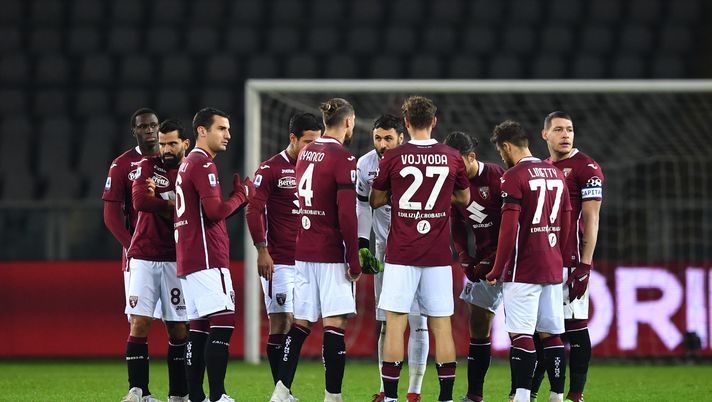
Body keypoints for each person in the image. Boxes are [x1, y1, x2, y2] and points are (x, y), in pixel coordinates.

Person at [370, 96, 470, 402]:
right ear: (434, 122)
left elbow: (375, 200)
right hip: (438, 255)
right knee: (441, 326)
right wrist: (441, 202)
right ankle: (447, 397)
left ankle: (389, 397)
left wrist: (397, 198)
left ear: (407, 124)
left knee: (395, 324)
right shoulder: (453, 156)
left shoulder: (394, 156)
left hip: (401, 254)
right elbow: (464, 199)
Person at [270, 98, 361, 402]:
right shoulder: (344, 159)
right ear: (348, 122)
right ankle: (332, 397)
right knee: (335, 325)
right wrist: (353, 258)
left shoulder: (306, 151)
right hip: (331, 252)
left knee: (300, 324)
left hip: (303, 250)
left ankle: (280, 392)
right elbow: (347, 215)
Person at [485, 120, 572, 402]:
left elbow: (508, 229)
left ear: (507, 146)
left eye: (501, 152)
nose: (502, 157)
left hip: (524, 267)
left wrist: (498, 268)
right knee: (552, 334)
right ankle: (557, 395)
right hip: (552, 264)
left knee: (521, 335)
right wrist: (561, 255)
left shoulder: (513, 177)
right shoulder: (556, 173)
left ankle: (522, 396)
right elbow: (567, 220)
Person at [174, 108, 253, 402]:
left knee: (198, 329)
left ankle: (196, 395)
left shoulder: (186, 164)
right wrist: (241, 196)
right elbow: (215, 212)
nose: (228, 135)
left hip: (189, 258)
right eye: (221, 128)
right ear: (201, 131)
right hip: (206, 257)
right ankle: (218, 395)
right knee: (224, 321)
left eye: (229, 129)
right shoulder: (203, 164)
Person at [245, 113, 322, 394]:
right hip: (280, 261)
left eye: (317, 142)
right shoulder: (271, 168)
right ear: (292, 138)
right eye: (308, 142)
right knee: (282, 320)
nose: (313, 148)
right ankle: (282, 391)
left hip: (312, 260)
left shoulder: (319, 167)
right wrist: (262, 250)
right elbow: (253, 210)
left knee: (303, 322)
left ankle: (283, 391)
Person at [530, 111, 604, 402]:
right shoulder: (543, 168)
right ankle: (531, 392)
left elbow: (593, 218)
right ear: (544, 134)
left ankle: (575, 394)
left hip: (571, 261)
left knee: (575, 327)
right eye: (559, 129)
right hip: (543, 262)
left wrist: (584, 265)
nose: (565, 135)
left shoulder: (587, 167)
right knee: (541, 331)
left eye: (570, 130)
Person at [357, 115, 430, 402]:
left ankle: (415, 391)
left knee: (419, 322)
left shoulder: (420, 159)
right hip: (385, 253)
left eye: (388, 138)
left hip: (419, 251)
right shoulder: (365, 165)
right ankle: (387, 390)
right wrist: (364, 243)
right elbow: (362, 206)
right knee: (387, 322)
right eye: (378, 138)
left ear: (401, 137)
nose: (382, 144)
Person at [122, 119, 191, 402]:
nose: (165, 149)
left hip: (177, 258)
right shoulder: (148, 166)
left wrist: (161, 202)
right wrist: (173, 205)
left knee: (177, 328)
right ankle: (138, 391)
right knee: (139, 322)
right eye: (162, 143)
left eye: (172, 143)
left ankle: (179, 394)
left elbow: (202, 212)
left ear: (185, 144)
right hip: (144, 255)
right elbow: (140, 202)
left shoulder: (193, 170)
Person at [443, 132, 504, 402]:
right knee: (478, 325)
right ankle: (474, 395)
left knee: (528, 330)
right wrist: (465, 256)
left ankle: (525, 393)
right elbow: (456, 222)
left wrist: (495, 259)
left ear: (471, 157)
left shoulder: (497, 177)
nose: (452, 170)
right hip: (482, 264)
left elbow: (514, 225)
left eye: (456, 163)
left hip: (511, 262)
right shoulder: (453, 183)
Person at [103, 108, 162, 317]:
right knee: (138, 320)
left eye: (153, 125)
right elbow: (110, 217)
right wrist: (133, 247)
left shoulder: (172, 159)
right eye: (143, 126)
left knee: (178, 323)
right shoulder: (122, 164)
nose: (149, 130)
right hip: (139, 255)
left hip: (173, 252)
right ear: (133, 131)